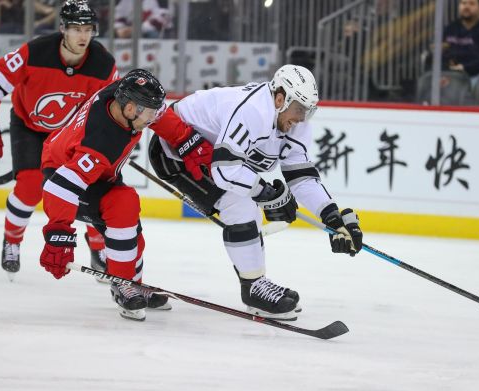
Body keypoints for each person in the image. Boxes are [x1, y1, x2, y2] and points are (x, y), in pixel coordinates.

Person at [146, 65, 364, 320]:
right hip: (176, 153)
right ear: (280, 98)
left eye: (308, 111)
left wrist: (331, 216)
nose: (302, 118)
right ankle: (254, 288)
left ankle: (255, 282)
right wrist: (266, 193)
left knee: (245, 205)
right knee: (240, 207)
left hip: (213, 156)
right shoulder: (253, 111)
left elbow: (301, 175)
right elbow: (226, 172)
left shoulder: (294, 121)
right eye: (299, 109)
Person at [0, 0, 118, 281]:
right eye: (76, 29)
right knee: (29, 187)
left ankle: (98, 248)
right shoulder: (35, 52)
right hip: (30, 127)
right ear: (63, 28)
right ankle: (12, 240)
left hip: (71, 135)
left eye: (88, 29)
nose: (83, 36)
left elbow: (109, 110)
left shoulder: (104, 65)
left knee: (91, 188)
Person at [39, 69, 172, 321]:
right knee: (124, 205)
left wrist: (186, 139)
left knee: (131, 228)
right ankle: (124, 284)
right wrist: (58, 235)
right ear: (131, 109)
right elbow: (60, 187)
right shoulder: (101, 143)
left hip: (88, 168)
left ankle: (132, 283)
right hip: (62, 173)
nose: (153, 118)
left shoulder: (118, 92)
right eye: (150, 113)